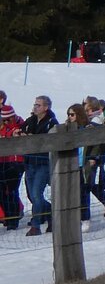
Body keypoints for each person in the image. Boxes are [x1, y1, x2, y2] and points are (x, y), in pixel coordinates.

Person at [20, 95, 59, 235]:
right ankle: (51, 213)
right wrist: (19, 133)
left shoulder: (52, 122)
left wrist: (33, 139)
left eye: (38, 105)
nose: (35, 107)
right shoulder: (30, 120)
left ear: (46, 107)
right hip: (29, 162)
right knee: (32, 195)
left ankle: (35, 225)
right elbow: (21, 130)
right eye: (35, 104)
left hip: (43, 162)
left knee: (37, 194)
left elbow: (51, 141)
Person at [0, 102, 25, 231]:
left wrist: (13, 133)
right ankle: (9, 217)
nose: (5, 122)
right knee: (3, 192)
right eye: (3, 120)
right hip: (4, 162)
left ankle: (13, 219)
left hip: (16, 162)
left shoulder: (19, 124)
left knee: (11, 191)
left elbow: (16, 133)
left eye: (7, 120)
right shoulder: (4, 128)